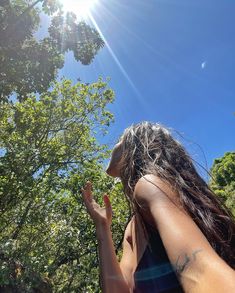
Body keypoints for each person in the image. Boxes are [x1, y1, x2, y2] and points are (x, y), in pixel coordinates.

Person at [81, 121, 235, 293]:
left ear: (134, 145)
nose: (115, 143)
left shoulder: (150, 185)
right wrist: (102, 226)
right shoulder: (133, 226)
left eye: (121, 138)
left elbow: (199, 271)